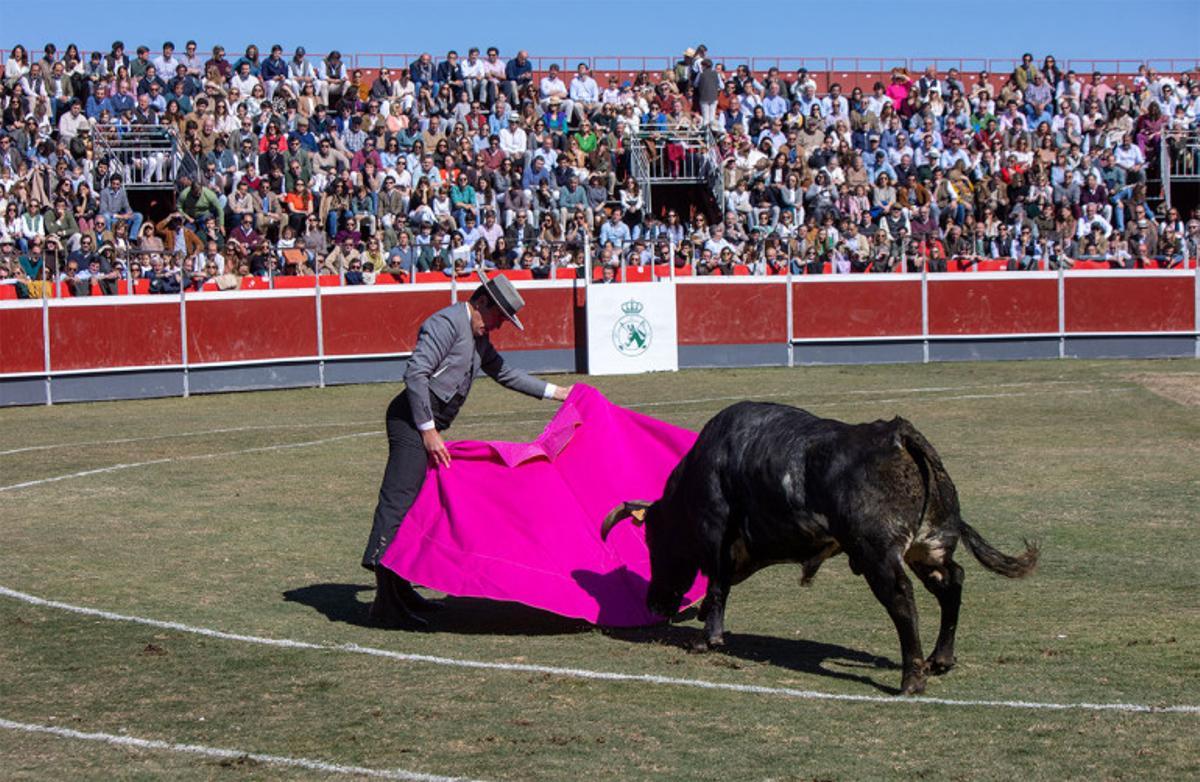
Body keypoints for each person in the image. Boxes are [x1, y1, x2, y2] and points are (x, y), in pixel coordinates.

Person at [361, 272, 571, 628]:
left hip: (426, 425)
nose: (500, 326)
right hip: (411, 422)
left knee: (418, 504)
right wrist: (428, 431)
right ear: (483, 302)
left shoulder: (478, 337)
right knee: (399, 500)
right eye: (499, 316)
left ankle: (400, 589)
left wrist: (557, 393)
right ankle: (386, 603)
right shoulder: (445, 323)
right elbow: (415, 375)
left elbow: (505, 373)